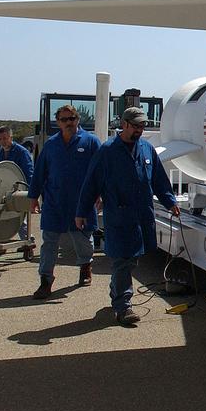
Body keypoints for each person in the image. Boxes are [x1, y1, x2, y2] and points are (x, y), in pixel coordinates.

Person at [76, 106, 179, 325]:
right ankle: (123, 307)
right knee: (122, 260)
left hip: (141, 216)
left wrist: (170, 202)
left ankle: (116, 290)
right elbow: (90, 184)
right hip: (119, 216)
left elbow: (159, 180)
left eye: (142, 126)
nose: (140, 130)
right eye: (136, 126)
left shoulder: (147, 149)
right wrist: (82, 212)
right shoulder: (107, 151)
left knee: (131, 260)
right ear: (123, 124)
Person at [28, 105, 101, 299]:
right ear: (58, 122)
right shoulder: (51, 144)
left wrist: (100, 194)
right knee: (49, 243)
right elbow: (40, 171)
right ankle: (45, 280)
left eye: (72, 119)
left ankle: (85, 266)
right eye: (64, 119)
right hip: (55, 202)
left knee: (83, 239)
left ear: (77, 120)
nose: (68, 122)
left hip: (81, 202)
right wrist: (33, 196)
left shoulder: (91, 142)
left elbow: (102, 171)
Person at [0, 126, 34, 240]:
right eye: (0, 139)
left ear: (11, 137)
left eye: (5, 138)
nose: (2, 141)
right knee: (0, 214)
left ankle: (27, 239)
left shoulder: (22, 152)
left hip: (18, 189)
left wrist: (29, 192)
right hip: (3, 189)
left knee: (17, 216)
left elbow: (29, 172)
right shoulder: (0, 151)